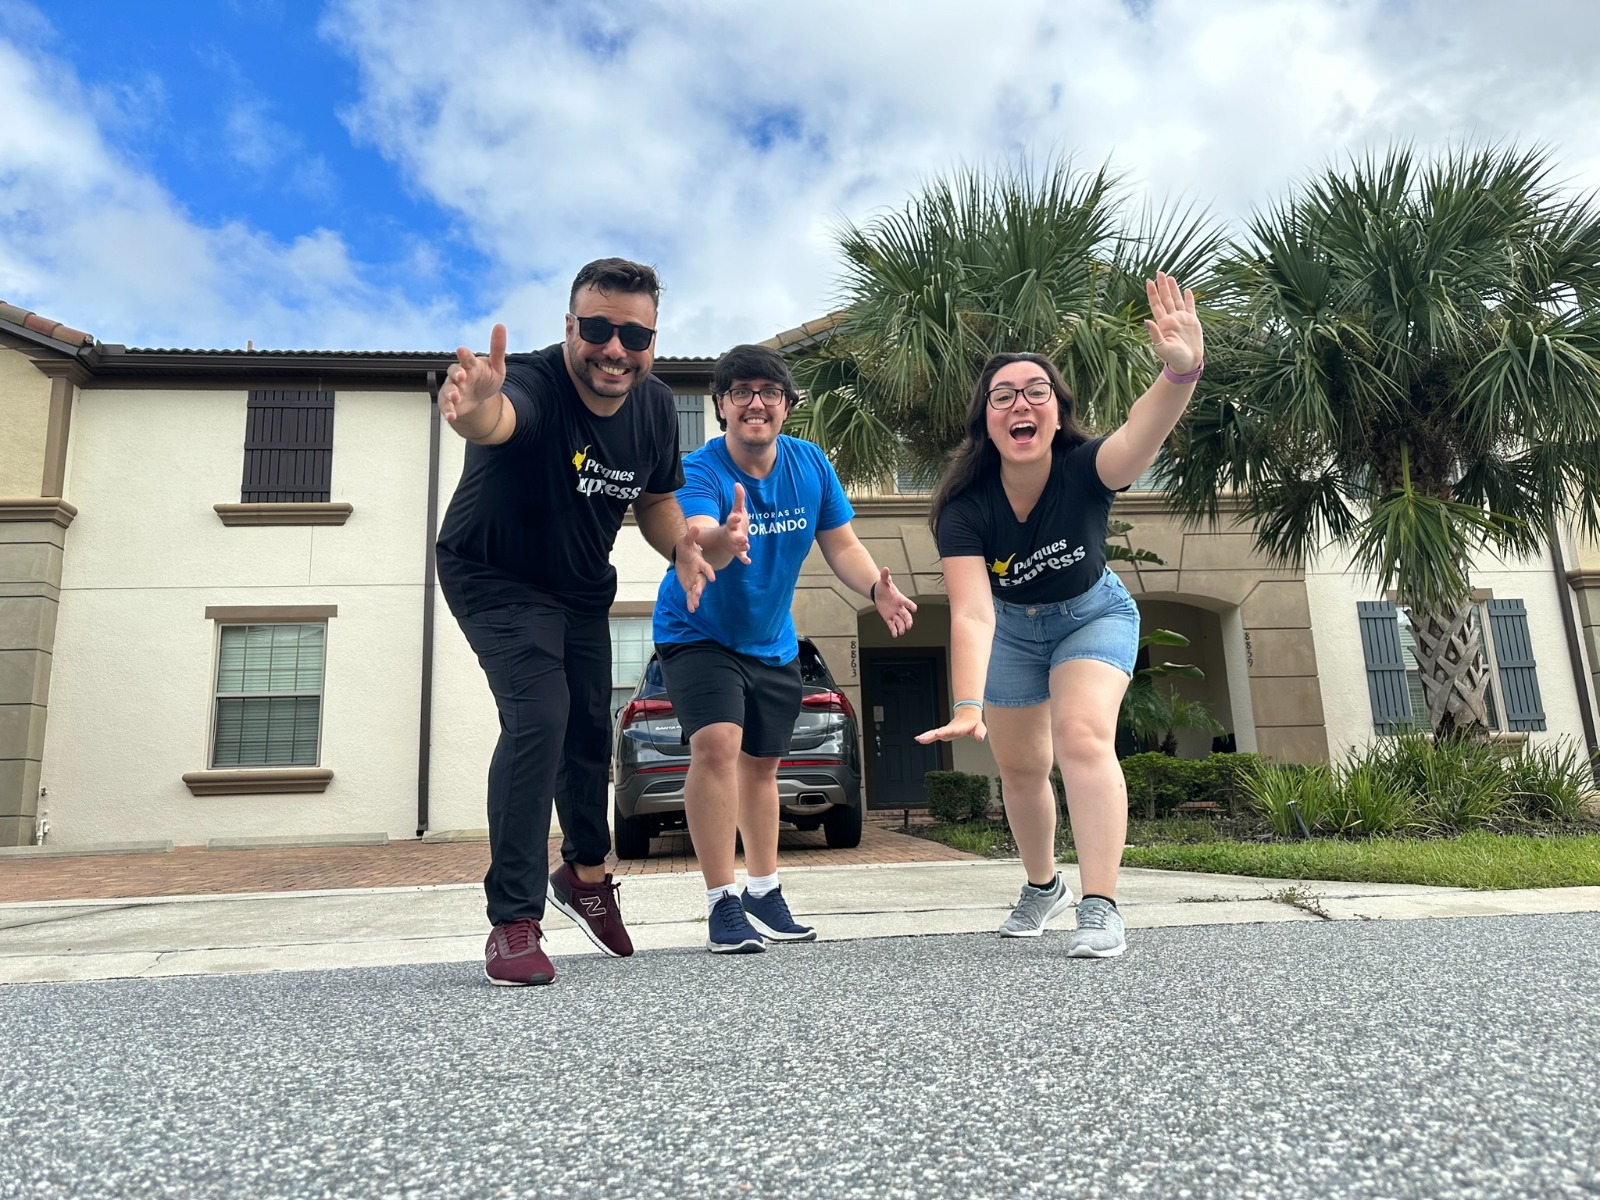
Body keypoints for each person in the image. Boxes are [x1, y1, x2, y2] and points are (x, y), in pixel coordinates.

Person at [435, 257, 715, 986]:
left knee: (592, 726)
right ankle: (514, 921)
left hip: (582, 584)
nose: (615, 348)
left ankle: (586, 875)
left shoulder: (655, 408)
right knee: (541, 715)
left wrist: (682, 542)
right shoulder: (530, 382)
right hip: (493, 574)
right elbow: (497, 418)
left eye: (634, 335)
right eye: (597, 329)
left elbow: (655, 500)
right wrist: (474, 410)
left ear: (654, 340)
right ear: (569, 327)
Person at [916, 272, 1205, 958]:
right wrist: (966, 703)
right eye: (1004, 395)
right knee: (1021, 768)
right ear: (987, 419)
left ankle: (1101, 906)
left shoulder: (1087, 467)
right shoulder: (964, 509)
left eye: (1036, 391)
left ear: (1056, 409)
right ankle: (1044, 886)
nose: (1021, 402)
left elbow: (1142, 431)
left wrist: (1182, 371)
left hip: (1091, 614)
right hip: (1011, 628)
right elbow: (973, 614)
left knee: (1081, 736)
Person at [651, 344, 918, 953]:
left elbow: (842, 545)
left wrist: (875, 585)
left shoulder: (811, 465)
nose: (756, 404)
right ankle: (722, 899)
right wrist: (722, 536)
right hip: (698, 629)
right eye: (741, 392)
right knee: (717, 745)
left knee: (764, 765)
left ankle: (763, 889)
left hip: (771, 640)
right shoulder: (701, 469)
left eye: (770, 393)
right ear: (720, 406)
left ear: (786, 408)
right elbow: (696, 539)